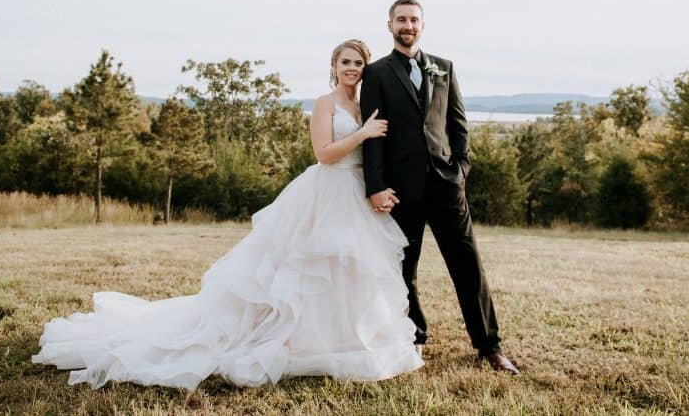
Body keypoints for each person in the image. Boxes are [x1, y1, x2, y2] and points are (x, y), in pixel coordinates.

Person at [32, 40, 423, 390]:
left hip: (356, 194)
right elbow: (323, 153)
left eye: (358, 62)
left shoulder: (366, 105)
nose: (352, 68)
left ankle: (343, 343)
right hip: (325, 191)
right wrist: (362, 134)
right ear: (334, 66)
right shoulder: (326, 104)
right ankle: (292, 341)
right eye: (345, 62)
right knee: (307, 269)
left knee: (351, 271)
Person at [360, 0, 520, 374]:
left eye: (414, 19)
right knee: (404, 271)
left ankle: (489, 346)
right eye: (401, 19)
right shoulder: (377, 73)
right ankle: (413, 340)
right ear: (390, 25)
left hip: (447, 187)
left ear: (422, 24)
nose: (408, 25)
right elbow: (372, 136)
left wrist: (461, 170)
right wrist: (375, 185)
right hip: (400, 191)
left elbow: (459, 125)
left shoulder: (444, 69)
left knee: (469, 267)